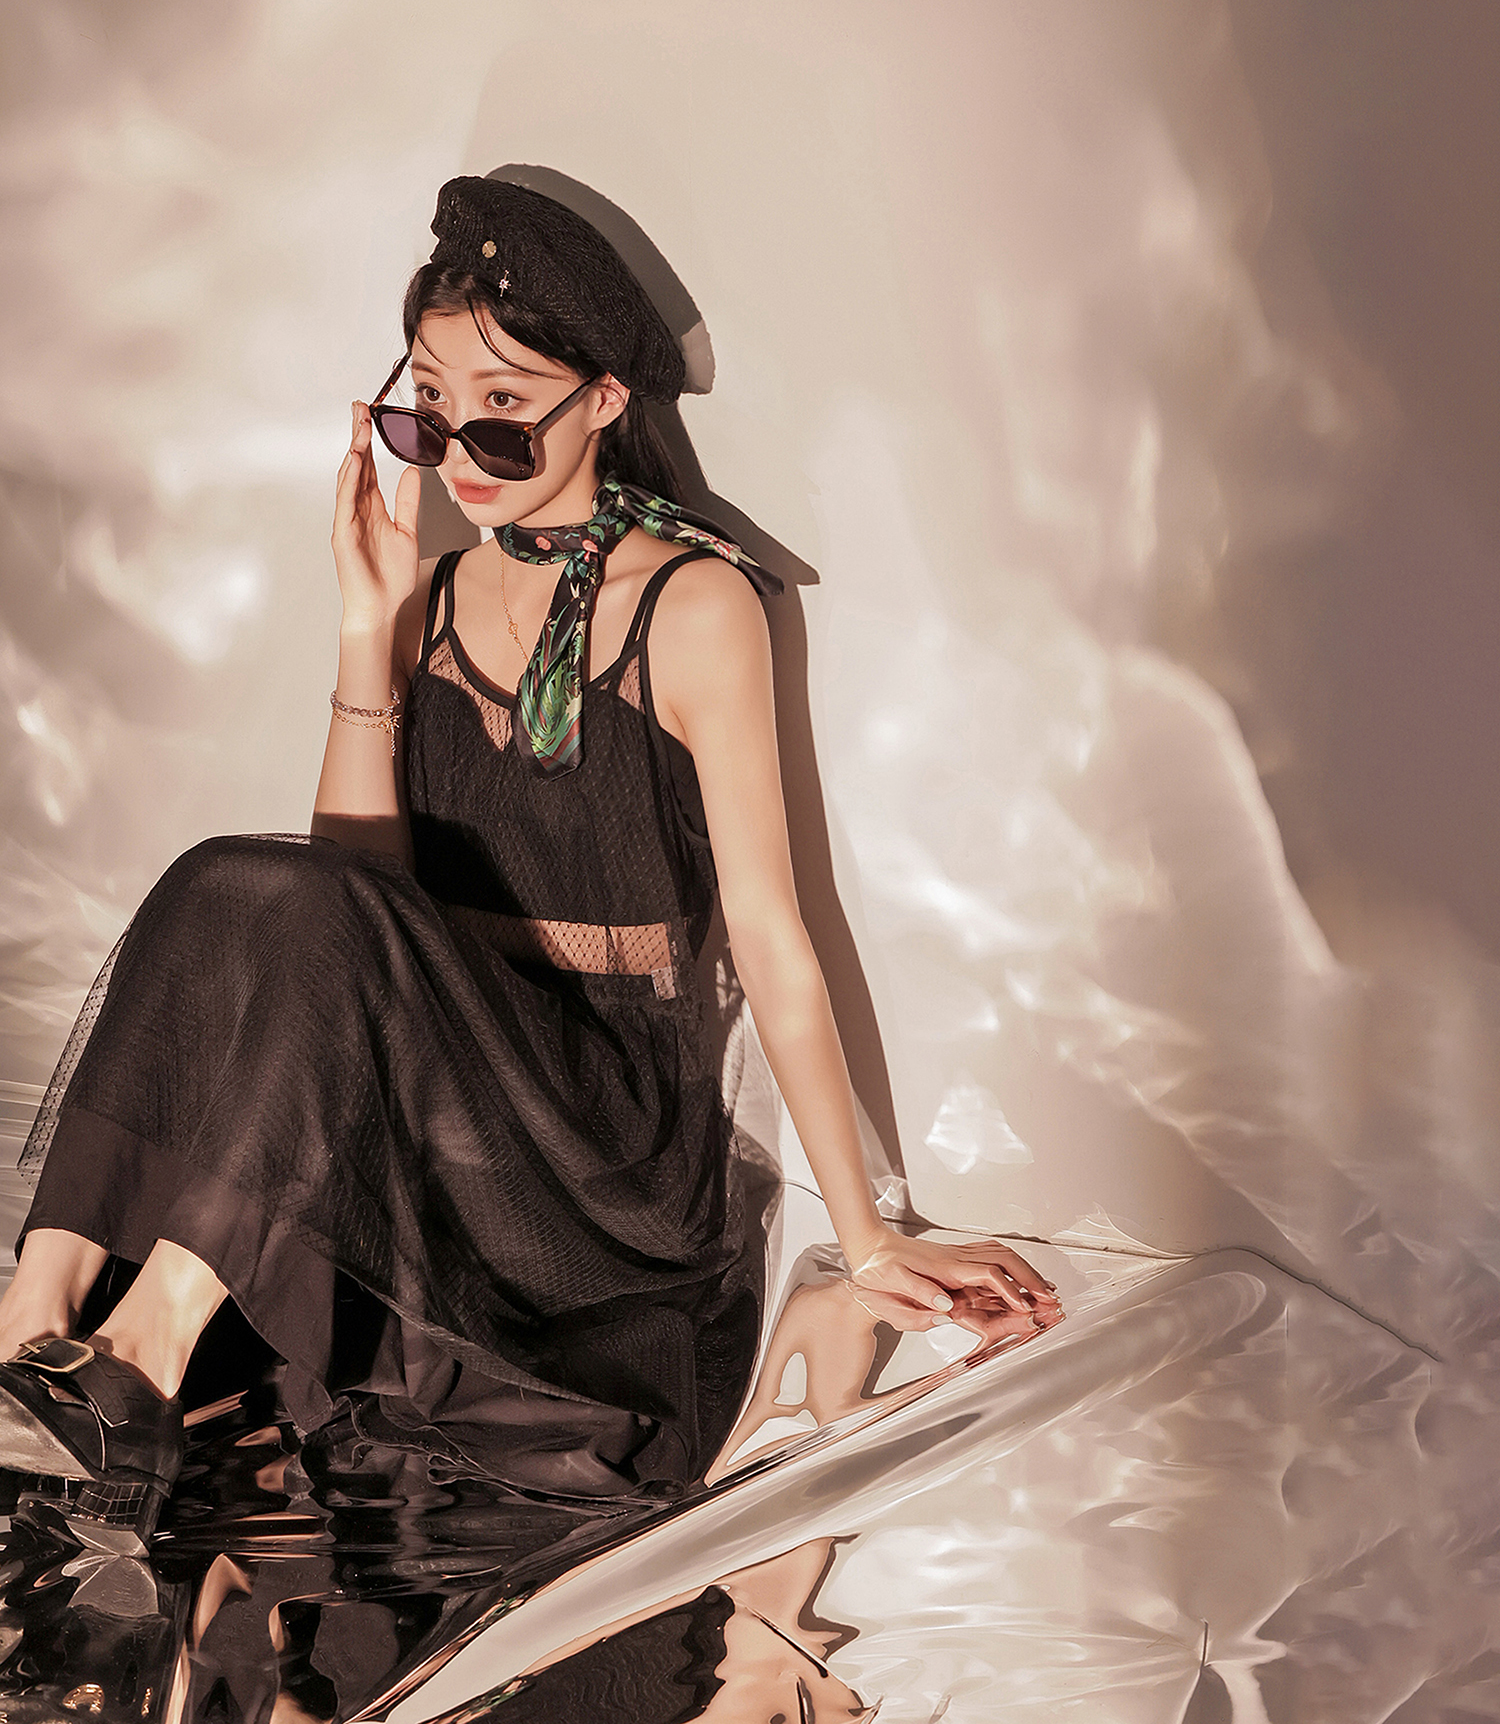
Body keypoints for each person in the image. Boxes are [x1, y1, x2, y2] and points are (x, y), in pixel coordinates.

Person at [0, 171, 1060, 1555]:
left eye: (502, 410)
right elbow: (350, 893)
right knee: (223, 879)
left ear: (605, 399)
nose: (457, 453)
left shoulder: (696, 604)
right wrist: (369, 628)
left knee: (286, 900)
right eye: (429, 410)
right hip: (440, 1086)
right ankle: (31, 1325)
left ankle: (145, 1347)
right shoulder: (443, 585)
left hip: (597, 1141)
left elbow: (770, 928)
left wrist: (867, 1233)